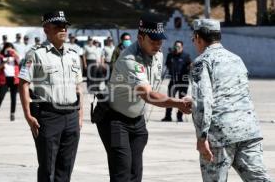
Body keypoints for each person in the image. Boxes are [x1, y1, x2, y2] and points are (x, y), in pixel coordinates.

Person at [95, 14, 192, 182]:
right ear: (140, 38)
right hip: (115, 120)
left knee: (135, 173)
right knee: (122, 174)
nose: (157, 45)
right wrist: (177, 103)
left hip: (137, 121)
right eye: (153, 40)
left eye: (160, 41)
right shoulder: (129, 60)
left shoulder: (158, 54)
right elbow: (148, 94)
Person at [190, 18, 272, 182]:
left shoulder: (202, 62)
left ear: (198, 37)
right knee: (259, 179)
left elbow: (203, 102)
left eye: (193, 39)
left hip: (220, 134)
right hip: (248, 130)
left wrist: (202, 137)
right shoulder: (236, 59)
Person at [18, 11, 83, 182]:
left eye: (65, 26)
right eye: (58, 26)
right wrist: (28, 116)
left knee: (65, 168)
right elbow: (23, 83)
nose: (63, 29)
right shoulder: (36, 54)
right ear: (46, 29)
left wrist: (80, 115)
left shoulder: (73, 55)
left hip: (71, 116)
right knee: (48, 169)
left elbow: (78, 87)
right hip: (48, 117)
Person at [161, 40, 191, 122]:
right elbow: (167, 65)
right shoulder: (170, 55)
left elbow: (189, 67)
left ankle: (179, 116)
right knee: (170, 99)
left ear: (182, 47)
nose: (177, 48)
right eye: (175, 46)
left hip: (183, 82)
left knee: (182, 99)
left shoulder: (186, 56)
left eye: (179, 47)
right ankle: (168, 116)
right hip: (173, 80)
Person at [0, 42, 20, 121]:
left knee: (13, 98)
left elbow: (21, 61)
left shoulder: (15, 57)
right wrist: (5, 61)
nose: (9, 51)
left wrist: (14, 52)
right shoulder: (1, 57)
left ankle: (12, 114)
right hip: (4, 79)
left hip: (14, 79)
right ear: (4, 49)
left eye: (10, 48)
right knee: (1, 97)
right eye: (7, 48)